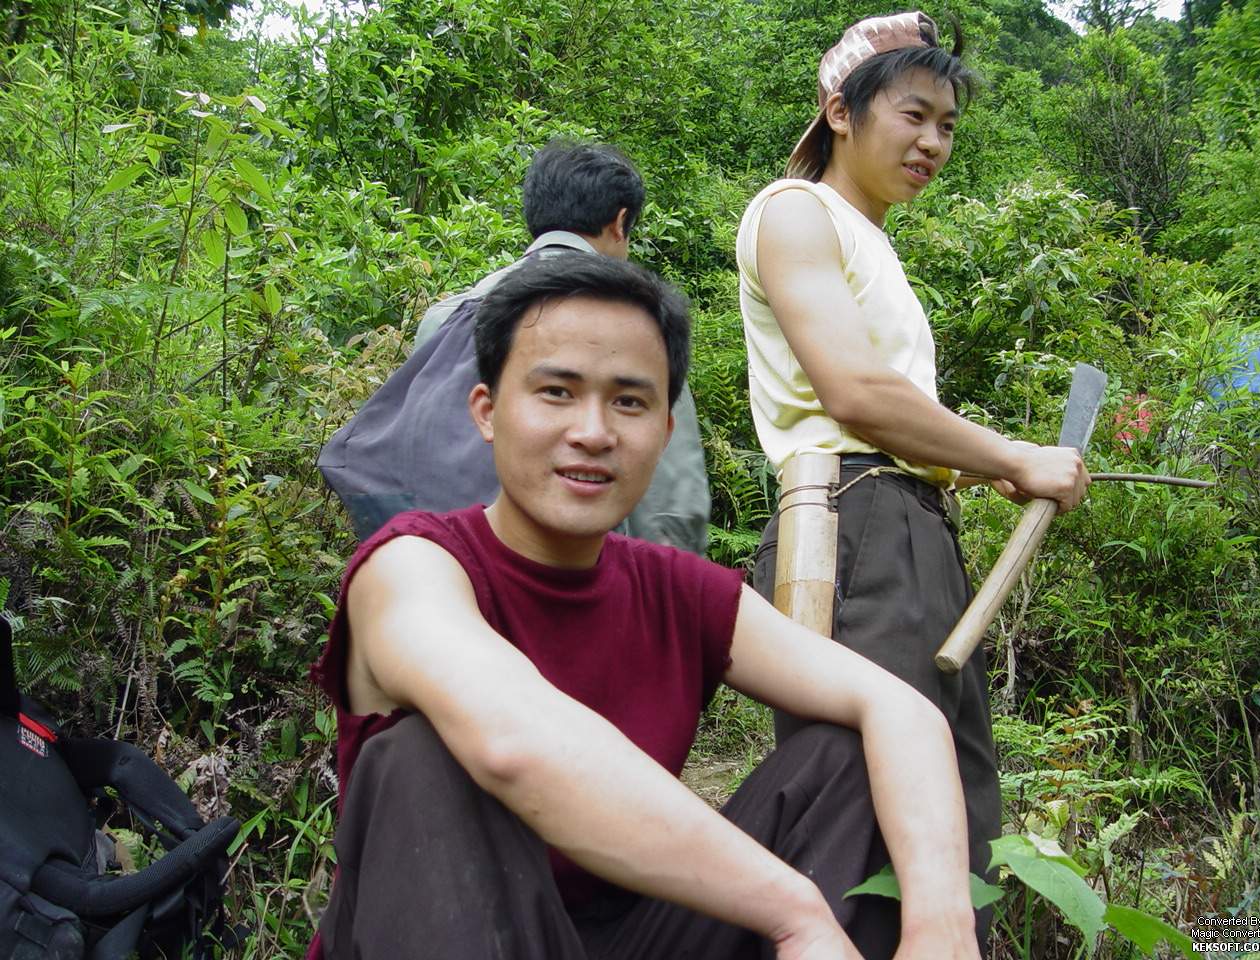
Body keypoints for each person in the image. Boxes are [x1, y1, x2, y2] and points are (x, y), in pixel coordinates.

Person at [308, 252, 981, 960]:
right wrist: (794, 911)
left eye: (628, 402)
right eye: (557, 392)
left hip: (637, 937)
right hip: (458, 933)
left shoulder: (677, 589)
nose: (593, 432)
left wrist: (942, 924)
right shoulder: (411, 566)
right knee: (420, 756)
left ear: (663, 432)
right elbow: (511, 740)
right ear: (487, 411)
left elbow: (900, 709)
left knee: (849, 755)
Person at [736, 10, 1092, 951]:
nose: (933, 142)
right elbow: (854, 394)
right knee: (861, 803)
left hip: (903, 524)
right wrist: (1011, 455)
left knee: (951, 806)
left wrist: (970, 468)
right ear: (840, 112)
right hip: (853, 528)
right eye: (913, 115)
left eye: (947, 126)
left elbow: (887, 412)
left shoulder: (867, 240)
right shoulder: (796, 212)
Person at [414, 139, 711, 553]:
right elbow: (671, 502)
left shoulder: (444, 317)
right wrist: (672, 577)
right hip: (580, 566)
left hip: (450, 558)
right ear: (620, 222)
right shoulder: (633, 324)